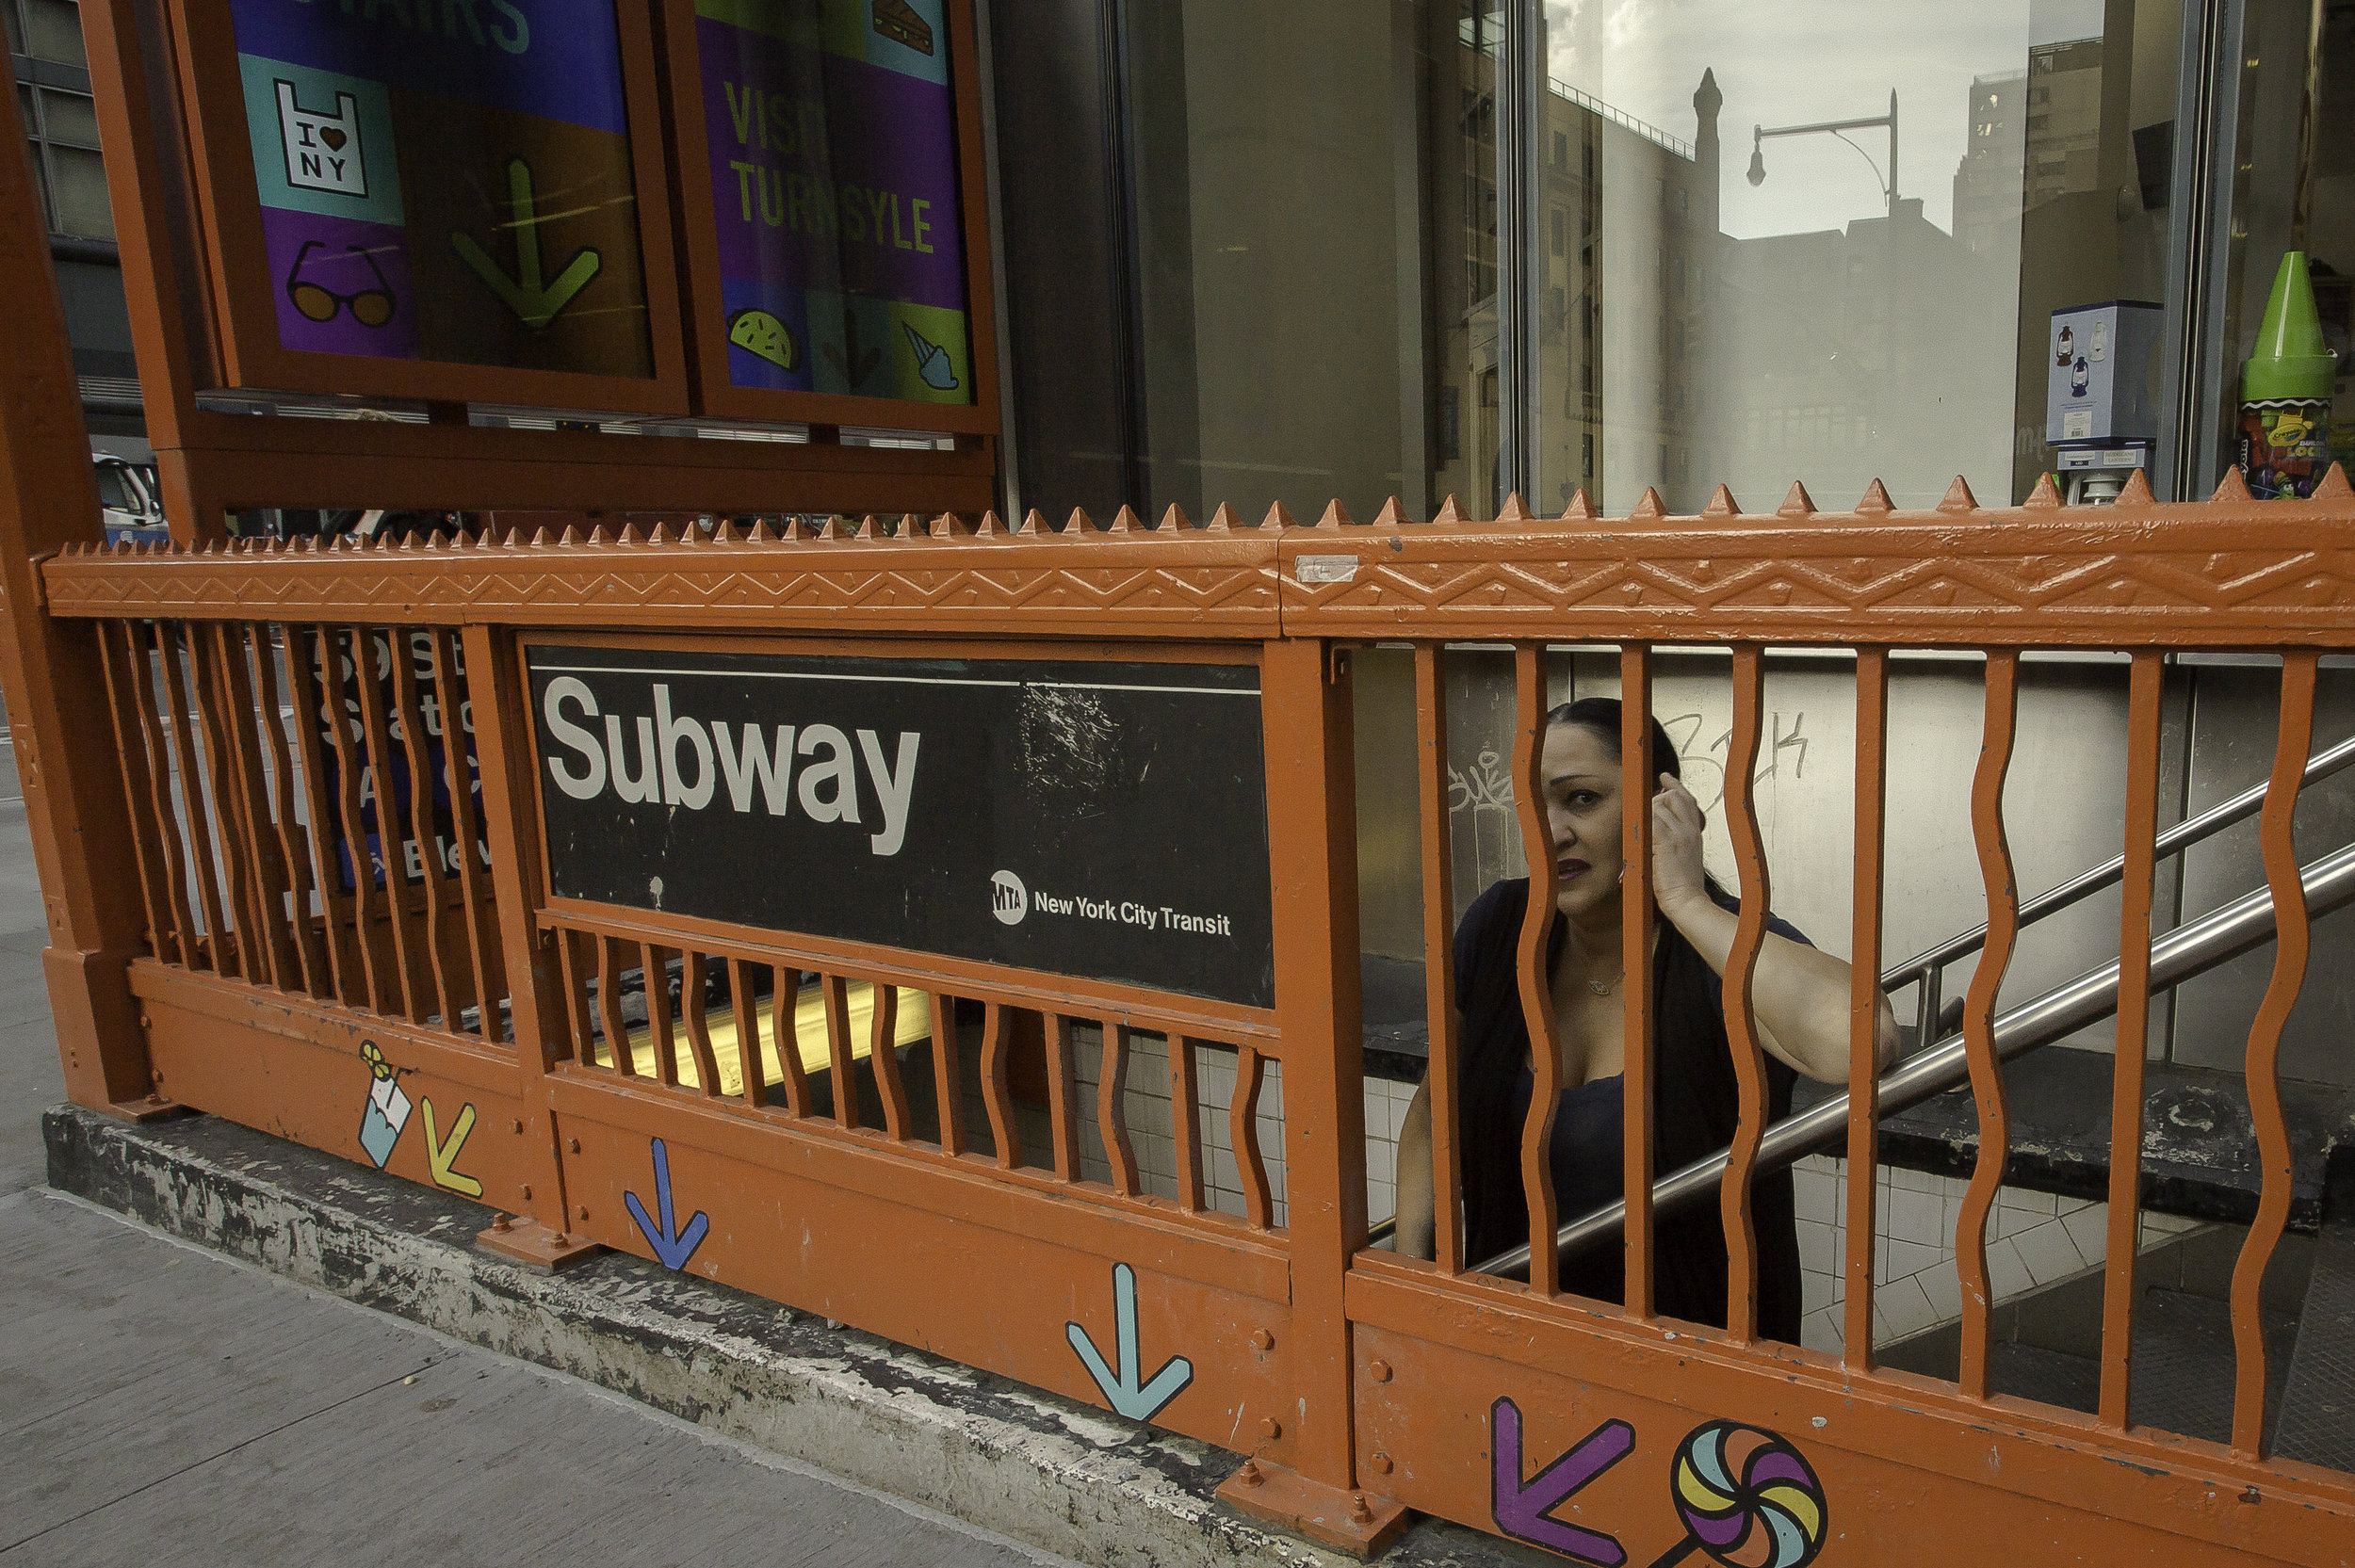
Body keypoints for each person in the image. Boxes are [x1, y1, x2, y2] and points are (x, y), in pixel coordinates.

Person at [1392, 698, 1899, 1340]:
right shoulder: (1500, 927)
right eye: (1533, 802)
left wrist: (1684, 899)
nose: (1551, 830)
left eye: (1581, 800)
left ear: (1661, 809)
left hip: (1690, 1370)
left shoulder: (1719, 950)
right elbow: (1433, 1113)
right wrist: (1411, 1280)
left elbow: (1862, 1039)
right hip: (1514, 1345)